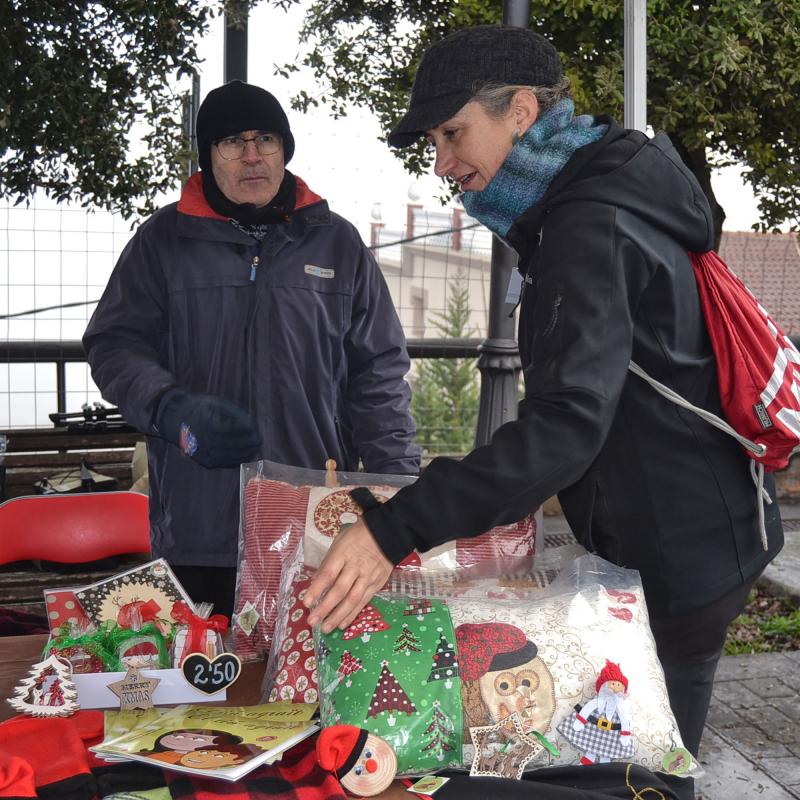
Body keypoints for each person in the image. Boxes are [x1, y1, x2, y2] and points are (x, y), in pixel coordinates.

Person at [305, 24, 783, 763]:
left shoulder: (586, 224)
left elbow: (566, 423)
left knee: (645, 765)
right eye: (433, 141)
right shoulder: (610, 194)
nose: (442, 163)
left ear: (521, 112)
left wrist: (393, 528)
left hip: (678, 554)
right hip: (706, 528)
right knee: (636, 752)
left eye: (454, 133)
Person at [83, 81, 420, 619]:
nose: (252, 155)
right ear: (207, 156)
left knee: (309, 683)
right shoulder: (162, 242)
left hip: (315, 521)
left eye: (266, 138)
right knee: (203, 687)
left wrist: (398, 490)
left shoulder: (338, 243)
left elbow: (377, 376)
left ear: (285, 149)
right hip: (200, 527)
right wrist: (171, 409)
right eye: (232, 142)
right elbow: (114, 344)